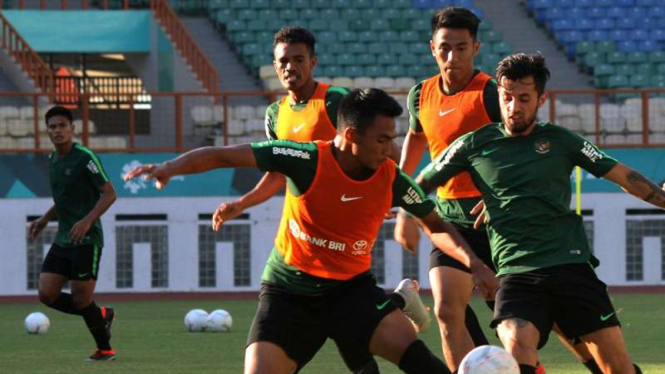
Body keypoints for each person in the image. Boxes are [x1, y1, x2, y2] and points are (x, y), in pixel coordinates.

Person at [124, 88, 497, 374]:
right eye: (383, 139)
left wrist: (475, 264)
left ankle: (396, 304)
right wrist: (171, 166)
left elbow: (434, 223)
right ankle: (400, 301)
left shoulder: (391, 179)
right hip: (289, 294)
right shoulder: (304, 160)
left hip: (351, 293)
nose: (392, 148)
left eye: (393, 137)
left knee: (422, 364)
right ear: (351, 135)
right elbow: (224, 154)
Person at [413, 53, 648, 374]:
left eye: (523, 98)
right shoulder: (474, 144)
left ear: (541, 99)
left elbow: (626, 178)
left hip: (570, 268)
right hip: (516, 276)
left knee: (617, 368)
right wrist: (406, 215)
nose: (513, 106)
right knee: (515, 341)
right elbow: (421, 183)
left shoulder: (561, 140)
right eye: (507, 97)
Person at [213, 26, 430, 336]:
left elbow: (389, 152)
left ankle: (396, 305)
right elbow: (277, 174)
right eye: (284, 61)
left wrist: (387, 194)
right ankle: (400, 298)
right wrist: (241, 203)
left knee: (348, 306)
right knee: (338, 304)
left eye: (299, 59)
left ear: (312, 62)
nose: (291, 67)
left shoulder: (334, 101)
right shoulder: (275, 114)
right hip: (306, 225)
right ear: (275, 66)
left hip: (348, 215)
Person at [393, 7, 502, 372]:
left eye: (461, 48)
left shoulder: (492, 94)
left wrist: (501, 197)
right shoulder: (420, 95)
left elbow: (518, 146)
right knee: (445, 311)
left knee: (512, 315)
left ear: (476, 47)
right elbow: (414, 143)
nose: (451, 57)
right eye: (444, 48)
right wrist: (400, 200)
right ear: (432, 48)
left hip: (496, 219)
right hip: (448, 219)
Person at [28, 106, 117, 361]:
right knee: (47, 294)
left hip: (87, 239)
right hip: (64, 238)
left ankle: (105, 349)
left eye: (62, 126)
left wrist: (87, 221)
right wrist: (45, 219)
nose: (57, 131)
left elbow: (109, 193)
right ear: (47, 130)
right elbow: (64, 199)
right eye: (52, 127)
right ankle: (101, 315)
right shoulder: (52, 160)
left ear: (72, 129)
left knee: (81, 299)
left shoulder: (84, 157)